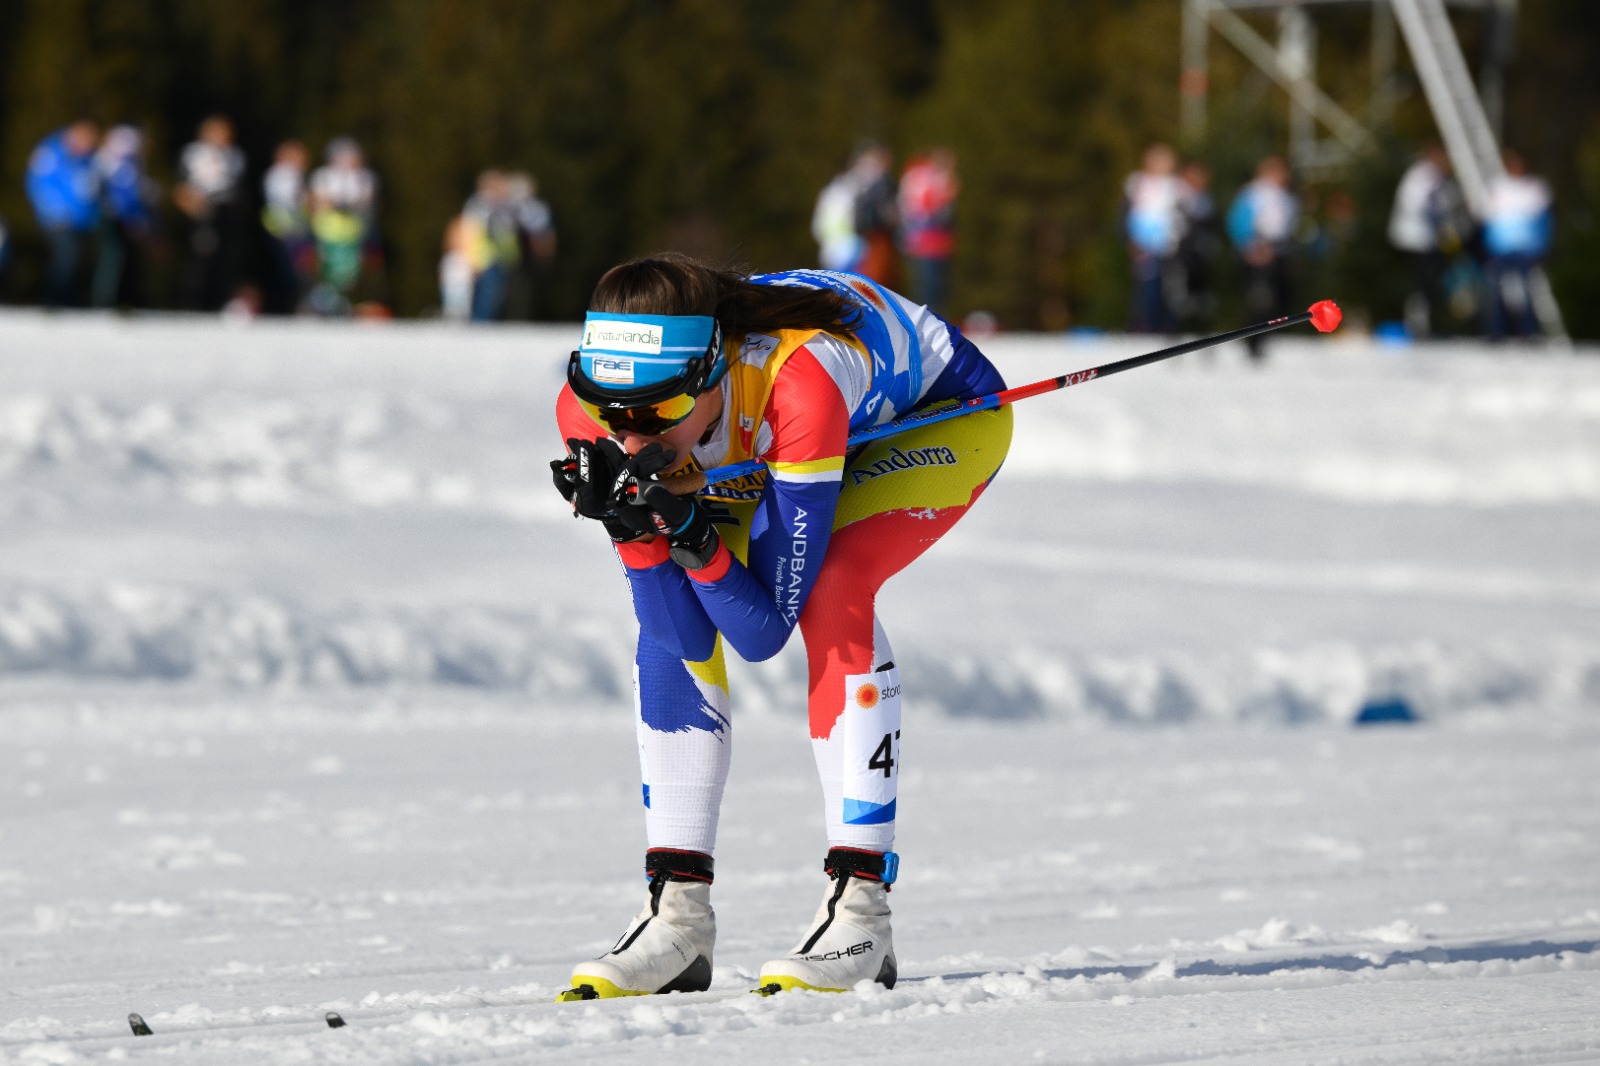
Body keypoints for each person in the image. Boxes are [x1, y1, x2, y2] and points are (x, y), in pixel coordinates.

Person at [550, 254, 1013, 999]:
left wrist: (693, 534)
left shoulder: (797, 382)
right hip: (757, 442)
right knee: (668, 620)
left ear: (707, 375)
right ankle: (677, 917)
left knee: (833, 584)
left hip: (932, 418)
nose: (632, 438)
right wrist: (642, 537)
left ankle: (862, 912)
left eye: (658, 412)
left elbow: (764, 629)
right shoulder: (592, 414)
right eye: (614, 413)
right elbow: (674, 623)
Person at [1226, 156, 1299, 361]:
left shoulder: (1286, 196)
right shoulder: (1253, 194)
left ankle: (1267, 339)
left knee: (1278, 300)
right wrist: (1250, 246)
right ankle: (1252, 341)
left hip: (1278, 252)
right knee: (1260, 300)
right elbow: (1238, 222)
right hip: (1258, 251)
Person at [26, 120, 101, 308]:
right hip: (58, 220)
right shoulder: (50, 153)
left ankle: (69, 302)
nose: (89, 146)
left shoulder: (87, 159)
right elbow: (38, 185)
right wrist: (53, 211)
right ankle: (55, 301)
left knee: (76, 261)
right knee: (65, 259)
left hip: (81, 222)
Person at [175, 115, 246, 311]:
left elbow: (236, 186)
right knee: (202, 257)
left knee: (224, 259)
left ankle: (219, 302)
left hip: (225, 210)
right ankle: (194, 303)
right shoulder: (193, 153)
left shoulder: (234, 155)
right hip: (202, 210)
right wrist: (192, 206)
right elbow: (181, 186)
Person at [1480, 148, 1552, 341]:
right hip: (1500, 247)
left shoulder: (1535, 188)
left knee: (1527, 290)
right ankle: (1497, 331)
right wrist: (1487, 246)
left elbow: (1544, 222)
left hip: (1526, 248)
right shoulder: (1498, 188)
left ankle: (1527, 331)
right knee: (1497, 290)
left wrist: (1541, 247)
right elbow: (1488, 220)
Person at [306, 137, 381, 315]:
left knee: (349, 271)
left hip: (352, 232)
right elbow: (317, 200)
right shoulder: (323, 175)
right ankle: (322, 303)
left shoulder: (364, 176)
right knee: (326, 269)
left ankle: (339, 303)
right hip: (327, 231)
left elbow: (367, 199)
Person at [1387, 143, 1454, 338]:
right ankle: (1418, 326)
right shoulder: (1419, 176)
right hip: (1415, 240)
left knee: (1430, 284)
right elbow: (1415, 204)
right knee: (1422, 284)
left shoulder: (1436, 177)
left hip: (1429, 240)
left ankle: (1429, 324)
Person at [1122, 143, 1186, 333]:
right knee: (1146, 290)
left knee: (1171, 289)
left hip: (1171, 246)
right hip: (1144, 246)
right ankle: (1144, 327)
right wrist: (1131, 239)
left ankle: (1168, 328)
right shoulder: (1137, 185)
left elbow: (1183, 216)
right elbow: (1126, 215)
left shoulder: (1176, 187)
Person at [91, 125, 156, 310]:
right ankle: (105, 302)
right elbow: (123, 191)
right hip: (113, 216)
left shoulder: (131, 161)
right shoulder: (117, 160)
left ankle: (122, 300)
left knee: (126, 260)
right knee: (112, 258)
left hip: (126, 217)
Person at [897, 148, 958, 314]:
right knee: (931, 284)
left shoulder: (919, 176)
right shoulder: (931, 179)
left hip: (927, 239)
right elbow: (929, 208)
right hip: (929, 238)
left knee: (928, 283)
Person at [261, 140, 314, 315]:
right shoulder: (280, 174)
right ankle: (281, 308)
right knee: (285, 272)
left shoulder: (295, 175)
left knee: (296, 272)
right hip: (283, 230)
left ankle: (290, 306)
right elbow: (289, 201)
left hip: (294, 229)